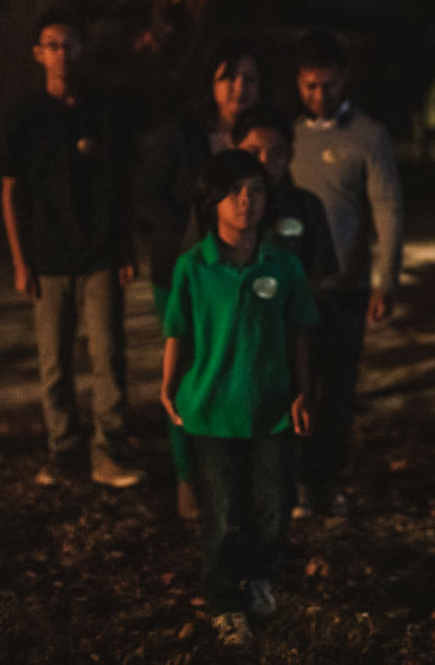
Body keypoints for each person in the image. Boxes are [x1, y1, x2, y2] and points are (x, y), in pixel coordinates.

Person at [159, 149, 319, 647]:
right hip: (210, 409)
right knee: (224, 513)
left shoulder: (283, 265)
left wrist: (302, 391)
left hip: (271, 409)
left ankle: (259, 576)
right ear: (212, 201)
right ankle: (225, 600)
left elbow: (298, 333)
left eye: (255, 190)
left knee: (274, 506)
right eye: (233, 191)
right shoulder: (193, 266)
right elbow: (177, 332)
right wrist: (168, 387)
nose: (245, 200)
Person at [1, 10, 144, 489]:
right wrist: (21, 261)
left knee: (109, 357)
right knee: (55, 364)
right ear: (38, 54)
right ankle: (63, 450)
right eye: (51, 45)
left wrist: (126, 246)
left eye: (69, 44)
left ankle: (110, 449)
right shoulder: (25, 116)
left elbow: (124, 182)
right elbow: (10, 192)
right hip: (47, 259)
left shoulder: (105, 110)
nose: (61, 53)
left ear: (82, 50)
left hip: (100, 255)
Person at [137, 43, 261, 518]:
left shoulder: (262, 138)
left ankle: (236, 479)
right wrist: (193, 234)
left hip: (243, 275)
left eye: (249, 78)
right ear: (210, 85)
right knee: (185, 373)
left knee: (241, 369)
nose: (239, 89)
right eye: (229, 78)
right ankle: (188, 477)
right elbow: (147, 196)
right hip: (183, 273)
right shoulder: (181, 137)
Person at [287, 30, 404, 517]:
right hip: (293, 287)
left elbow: (388, 208)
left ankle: (325, 482)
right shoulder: (286, 137)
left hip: (345, 289)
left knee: (335, 392)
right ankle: (293, 482)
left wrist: (386, 278)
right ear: (298, 83)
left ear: (343, 81)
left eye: (328, 85)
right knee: (294, 387)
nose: (319, 95)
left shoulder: (368, 136)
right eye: (311, 86)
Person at [232, 104, 338, 286]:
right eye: (253, 152)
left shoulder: (307, 208)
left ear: (289, 155)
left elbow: (320, 278)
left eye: (276, 153)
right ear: (234, 152)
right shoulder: (216, 202)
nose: (264, 161)